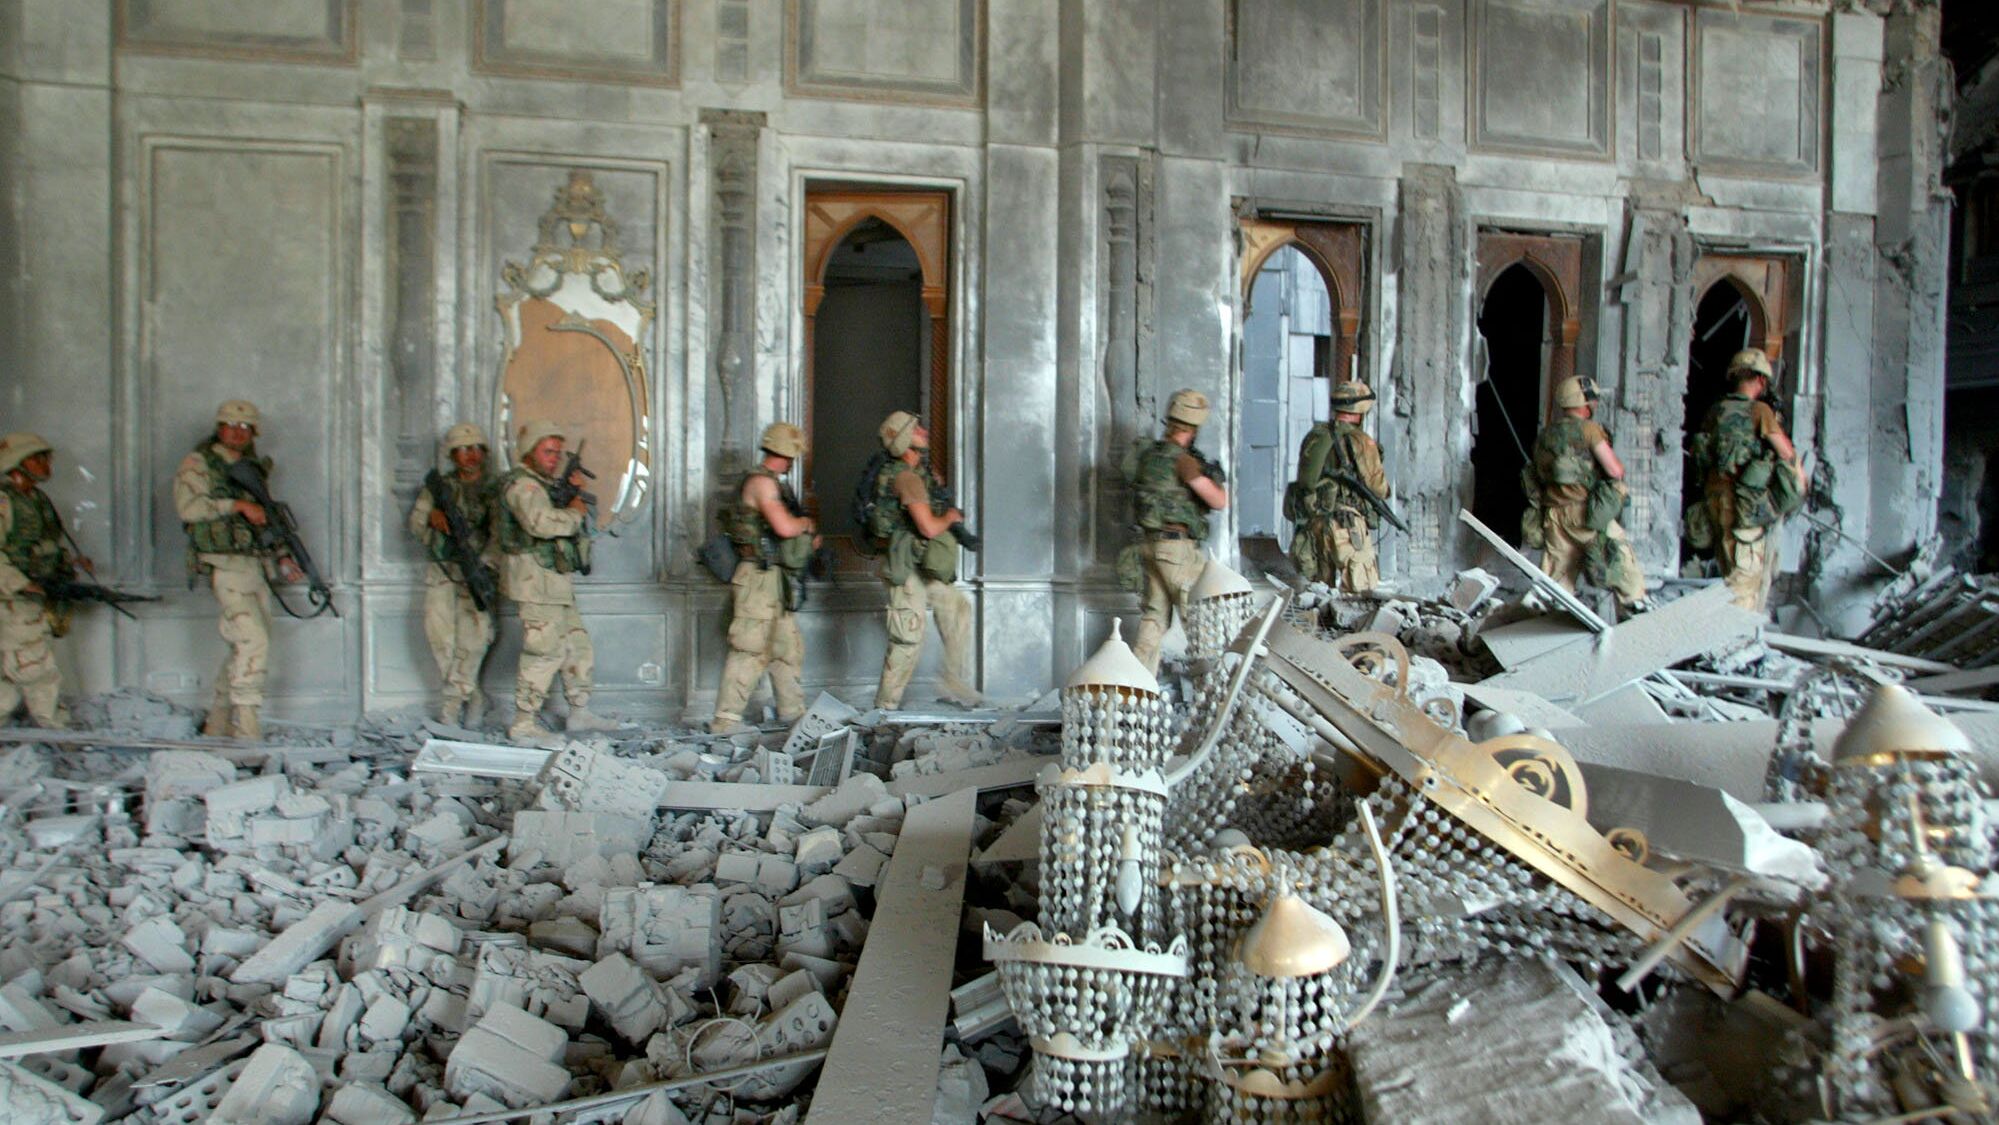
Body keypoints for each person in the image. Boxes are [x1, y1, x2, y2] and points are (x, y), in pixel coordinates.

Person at [174, 400, 304, 740]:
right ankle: (247, 729)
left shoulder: (251, 468)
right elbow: (189, 508)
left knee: (243, 646)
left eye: (244, 427)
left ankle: (217, 724)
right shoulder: (199, 463)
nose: (237, 432)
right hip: (224, 565)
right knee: (253, 641)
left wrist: (283, 556)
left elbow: (265, 519)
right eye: (230, 425)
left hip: (254, 566)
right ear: (219, 427)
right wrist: (237, 505)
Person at [498, 420, 614, 741]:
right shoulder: (524, 486)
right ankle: (524, 723)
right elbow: (540, 523)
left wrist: (574, 494)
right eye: (547, 452)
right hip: (535, 582)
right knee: (543, 651)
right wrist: (574, 512)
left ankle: (579, 712)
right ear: (529, 451)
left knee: (576, 645)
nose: (554, 459)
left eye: (557, 453)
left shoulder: (542, 485)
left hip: (553, 580)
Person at [710, 423, 820, 734]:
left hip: (773, 577)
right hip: (757, 577)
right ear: (787, 453)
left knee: (786, 648)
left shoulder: (772, 483)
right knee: (749, 648)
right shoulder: (762, 483)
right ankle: (725, 721)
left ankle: (793, 713)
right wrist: (805, 524)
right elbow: (784, 527)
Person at [866, 411, 979, 711]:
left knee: (957, 610)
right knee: (908, 636)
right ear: (904, 440)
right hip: (905, 565)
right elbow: (928, 527)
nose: (924, 431)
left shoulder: (918, 474)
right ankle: (884, 709)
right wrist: (950, 518)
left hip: (922, 561)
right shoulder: (906, 478)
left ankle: (953, 683)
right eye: (916, 429)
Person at [1123, 389, 1228, 674]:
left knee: (1154, 618)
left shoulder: (1150, 455)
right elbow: (1218, 501)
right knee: (1200, 615)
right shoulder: (1183, 461)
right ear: (1194, 426)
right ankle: (1213, 685)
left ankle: (1137, 683)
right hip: (1175, 549)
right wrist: (1214, 480)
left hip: (1149, 545)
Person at [1527, 377, 1648, 614]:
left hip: (1553, 515)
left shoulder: (1545, 435)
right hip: (1586, 514)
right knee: (1623, 567)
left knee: (1556, 584)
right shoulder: (1589, 430)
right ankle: (1635, 617)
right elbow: (1615, 471)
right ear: (1583, 401)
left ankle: (1539, 623)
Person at [1697, 347, 1804, 612]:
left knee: (1730, 572)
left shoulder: (1716, 411)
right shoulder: (1759, 411)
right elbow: (1786, 452)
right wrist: (1795, 484)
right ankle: (1734, 633)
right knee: (1745, 581)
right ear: (1760, 379)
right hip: (1744, 507)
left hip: (1715, 503)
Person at [408, 422, 500, 726]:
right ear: (452, 455)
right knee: (440, 637)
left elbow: (501, 534)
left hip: (477, 572)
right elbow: (415, 525)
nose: (470, 455)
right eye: (462, 450)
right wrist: (431, 516)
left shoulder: (494, 489)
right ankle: (471, 695)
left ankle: (451, 704)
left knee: (474, 640)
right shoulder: (439, 488)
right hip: (443, 570)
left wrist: (484, 564)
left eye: (475, 448)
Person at [0, 433, 85, 728]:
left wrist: (69, 564)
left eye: (46, 458)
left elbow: (46, 544)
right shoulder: (4, 502)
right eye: (38, 458)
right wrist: (20, 583)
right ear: (18, 462)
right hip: (12, 600)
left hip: (33, 595)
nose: (46, 464)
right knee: (36, 668)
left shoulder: (37, 500)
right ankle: (55, 727)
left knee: (14, 671)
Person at [1288, 380, 1389, 593]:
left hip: (1315, 524)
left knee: (1319, 593)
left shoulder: (1316, 435)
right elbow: (1378, 488)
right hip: (1346, 525)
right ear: (1360, 411)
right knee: (1360, 594)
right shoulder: (1360, 440)